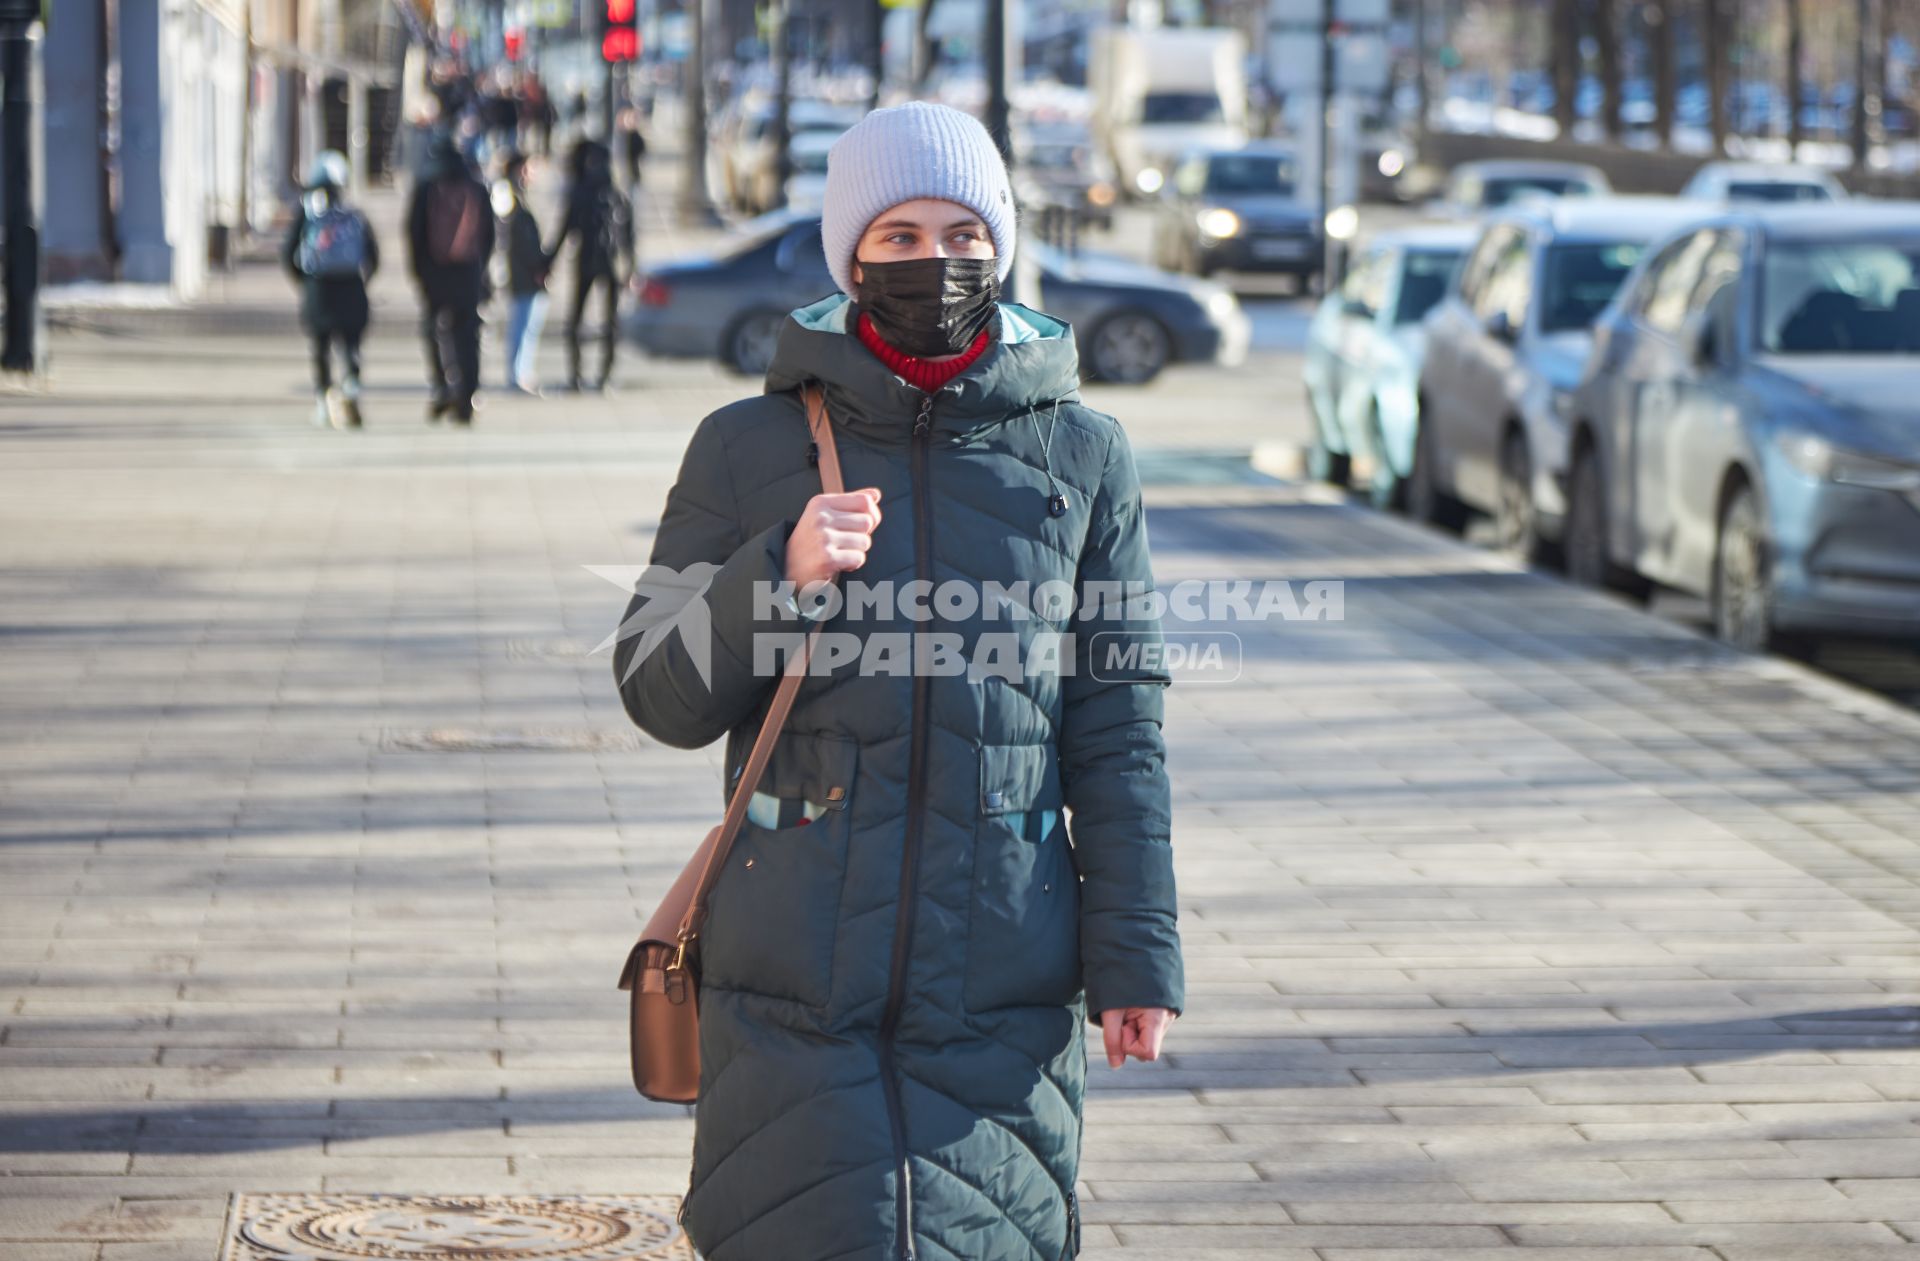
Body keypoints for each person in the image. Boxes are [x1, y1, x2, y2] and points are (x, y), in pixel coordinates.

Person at [610, 102, 1183, 1261]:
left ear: (1003, 245)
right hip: (794, 986)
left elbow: (1118, 732)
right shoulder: (746, 445)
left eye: (964, 232)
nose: (938, 262)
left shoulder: (1083, 454)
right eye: (902, 236)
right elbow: (657, 688)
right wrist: (781, 571)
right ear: (852, 258)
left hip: (1003, 982)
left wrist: (1138, 959)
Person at [282, 150, 378, 429]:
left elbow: (289, 253)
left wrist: (305, 280)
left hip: (319, 290)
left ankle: (324, 401)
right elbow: (373, 255)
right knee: (350, 346)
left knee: (321, 348)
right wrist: (362, 280)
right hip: (351, 289)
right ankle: (351, 388)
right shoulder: (354, 215)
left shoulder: (308, 215)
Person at [407, 130, 495, 424]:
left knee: (433, 332)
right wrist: (481, 269)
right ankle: (468, 394)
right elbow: (489, 235)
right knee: (467, 335)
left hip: (434, 274)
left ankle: (442, 385)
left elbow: (414, 233)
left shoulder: (426, 187)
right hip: (468, 273)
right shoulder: (476, 188)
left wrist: (419, 271)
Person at [546, 139, 633, 393]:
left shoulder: (582, 192)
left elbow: (564, 230)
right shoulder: (617, 194)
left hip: (586, 260)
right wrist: (629, 267)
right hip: (610, 263)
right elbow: (629, 237)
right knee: (609, 322)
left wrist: (548, 260)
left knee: (578, 320)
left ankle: (578, 375)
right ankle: (602, 375)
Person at [496, 153, 549, 395]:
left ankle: (522, 372)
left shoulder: (520, 199)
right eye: (528, 169)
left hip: (528, 273)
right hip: (523, 274)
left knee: (528, 326)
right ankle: (517, 373)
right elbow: (513, 241)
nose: (532, 175)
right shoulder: (509, 199)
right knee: (521, 326)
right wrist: (535, 266)